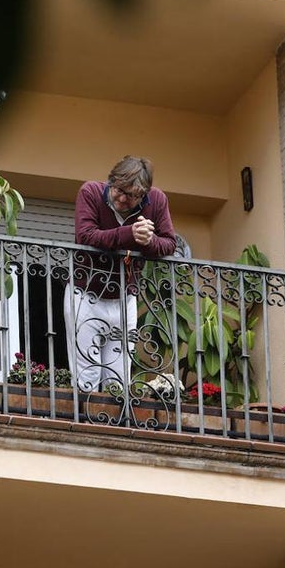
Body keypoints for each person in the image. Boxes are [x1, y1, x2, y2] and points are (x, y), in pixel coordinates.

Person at [64, 155, 177, 395]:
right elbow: (86, 236)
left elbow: (169, 244)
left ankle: (112, 427)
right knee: (87, 375)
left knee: (119, 378)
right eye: (119, 190)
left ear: (144, 194)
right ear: (111, 181)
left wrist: (148, 241)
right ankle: (86, 426)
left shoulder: (156, 200)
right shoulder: (91, 192)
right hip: (85, 293)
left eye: (132, 195)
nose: (123, 199)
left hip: (125, 298)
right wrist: (130, 234)